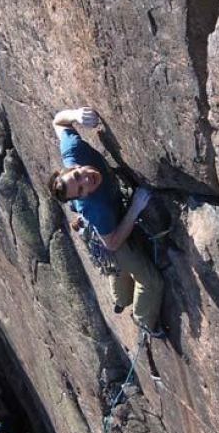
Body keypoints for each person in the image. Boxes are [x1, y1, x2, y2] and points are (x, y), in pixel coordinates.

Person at [47, 107, 164, 334]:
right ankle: (143, 320)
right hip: (108, 232)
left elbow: (59, 123)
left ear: (71, 167)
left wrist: (75, 115)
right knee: (151, 282)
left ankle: (120, 299)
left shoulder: (72, 150)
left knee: (116, 268)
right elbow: (112, 243)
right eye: (81, 189)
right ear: (81, 197)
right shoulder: (95, 207)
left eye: (78, 175)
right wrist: (135, 209)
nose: (87, 180)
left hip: (102, 225)